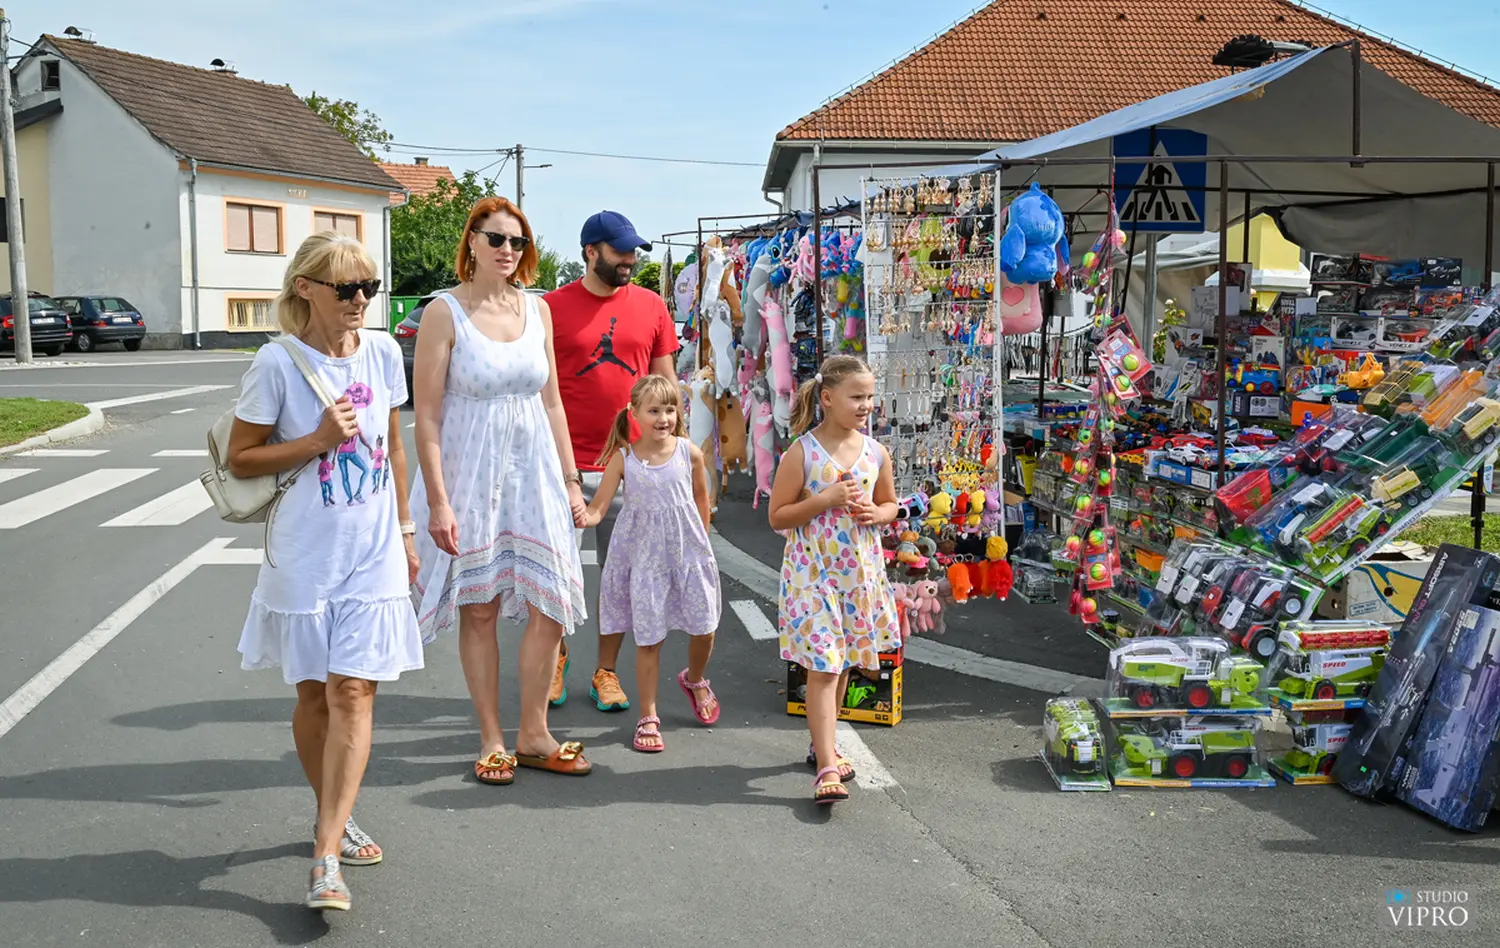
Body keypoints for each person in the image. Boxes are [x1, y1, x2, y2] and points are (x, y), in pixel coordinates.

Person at [226, 231, 422, 911]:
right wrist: (314, 441)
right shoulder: (276, 364)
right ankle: (331, 814)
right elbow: (240, 461)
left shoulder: (384, 352)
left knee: (354, 694)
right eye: (346, 288)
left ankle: (325, 855)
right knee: (313, 698)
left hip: (371, 552)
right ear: (305, 288)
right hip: (304, 554)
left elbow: (393, 447)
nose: (361, 300)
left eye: (368, 286)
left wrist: (406, 529)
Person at [409, 196, 592, 787]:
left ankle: (534, 732)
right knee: (482, 608)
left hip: (535, 469)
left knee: (550, 603)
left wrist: (572, 481)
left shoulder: (537, 311)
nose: (507, 250)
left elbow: (553, 401)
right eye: (494, 239)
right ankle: (491, 737)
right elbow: (428, 417)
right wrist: (438, 499)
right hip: (472, 472)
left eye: (516, 241)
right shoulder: (444, 313)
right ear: (471, 243)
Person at [545, 210, 680, 713]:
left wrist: (672, 455)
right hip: (565, 465)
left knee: (622, 576)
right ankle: (555, 658)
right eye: (620, 251)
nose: (629, 260)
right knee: (555, 571)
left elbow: (667, 387)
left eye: (633, 251)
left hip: (632, 463)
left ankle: (605, 671)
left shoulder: (651, 305)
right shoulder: (551, 309)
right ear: (590, 251)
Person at [766, 355, 902, 805]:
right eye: (856, 396)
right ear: (827, 398)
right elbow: (777, 516)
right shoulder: (801, 453)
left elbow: (890, 505)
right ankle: (828, 765)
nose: (866, 405)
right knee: (823, 663)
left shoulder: (875, 451)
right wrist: (824, 499)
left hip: (858, 575)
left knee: (842, 662)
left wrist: (876, 513)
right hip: (812, 575)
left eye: (869, 397)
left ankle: (822, 742)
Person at [578, 375, 720, 752]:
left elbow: (701, 498)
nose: (663, 417)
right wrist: (582, 516)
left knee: (704, 626)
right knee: (649, 637)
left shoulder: (689, 453)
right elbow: (599, 508)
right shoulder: (623, 460)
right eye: (654, 410)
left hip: (687, 554)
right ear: (635, 413)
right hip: (643, 560)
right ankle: (648, 715)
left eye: (670, 409)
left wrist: (701, 543)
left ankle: (696, 678)